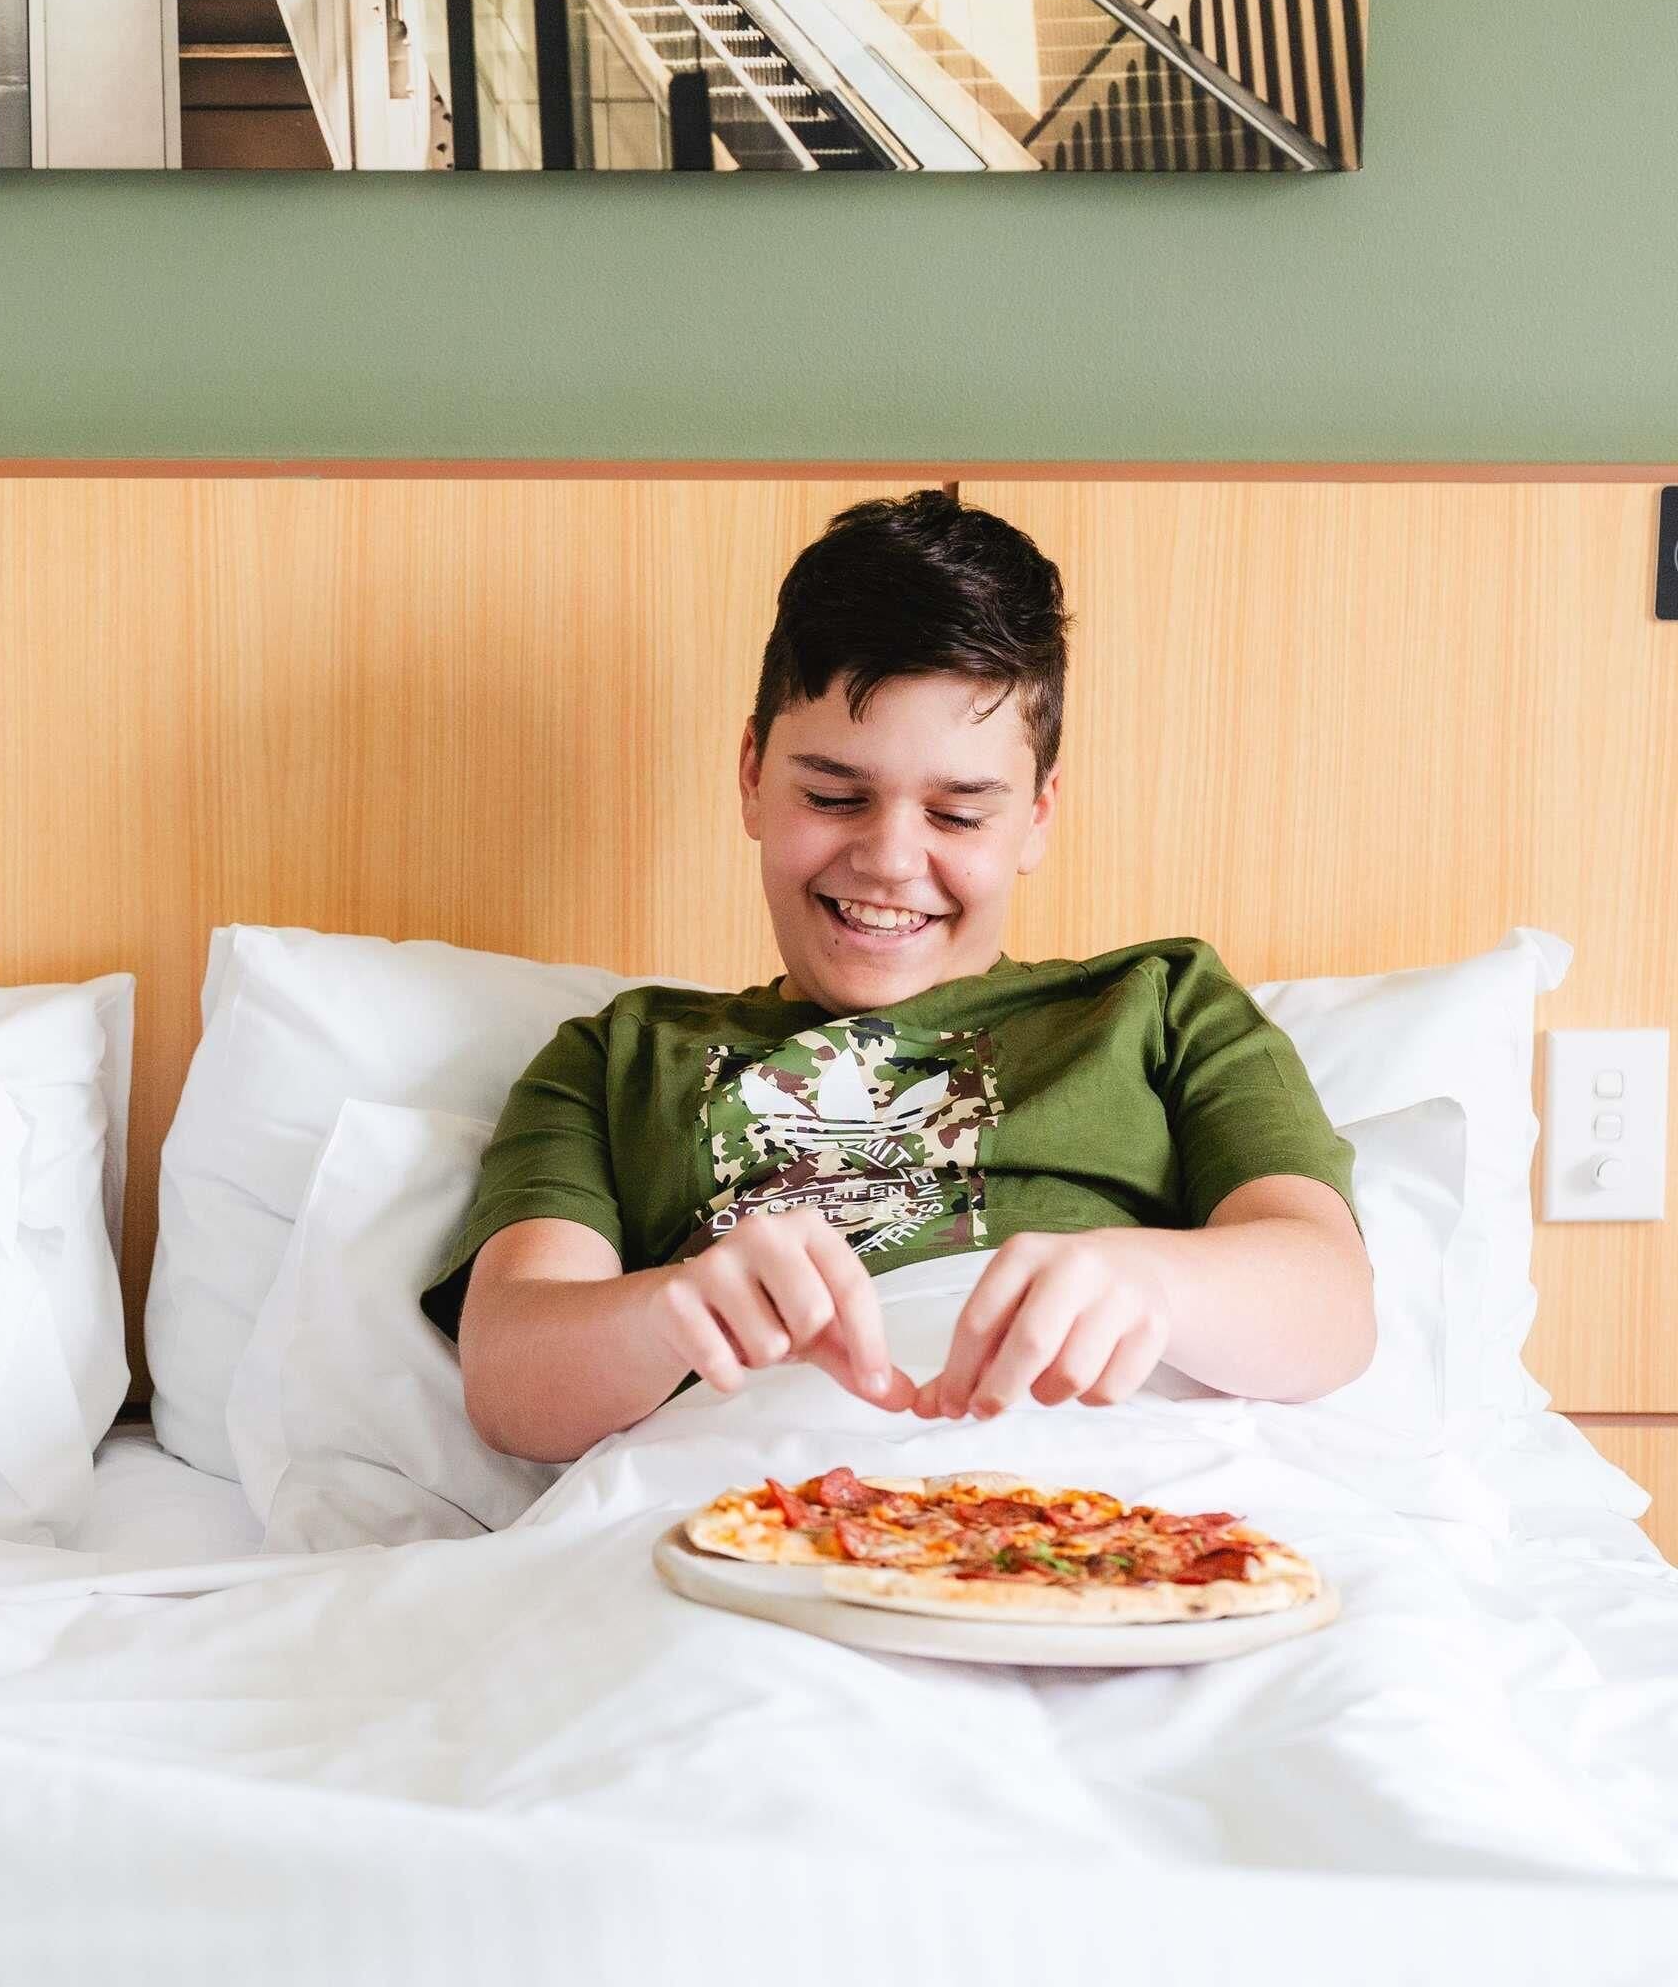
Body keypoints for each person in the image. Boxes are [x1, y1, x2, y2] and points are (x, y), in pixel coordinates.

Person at [426, 491, 1374, 1466]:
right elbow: (509, 1380)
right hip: (744, 1498)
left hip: (1103, 1485)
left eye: (958, 816)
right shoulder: (620, 1056)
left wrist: (1155, 1283)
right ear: (752, 775)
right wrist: (672, 1310)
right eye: (835, 797)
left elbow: (1331, 1303)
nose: (888, 859)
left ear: (1037, 817)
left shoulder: (1159, 1007)